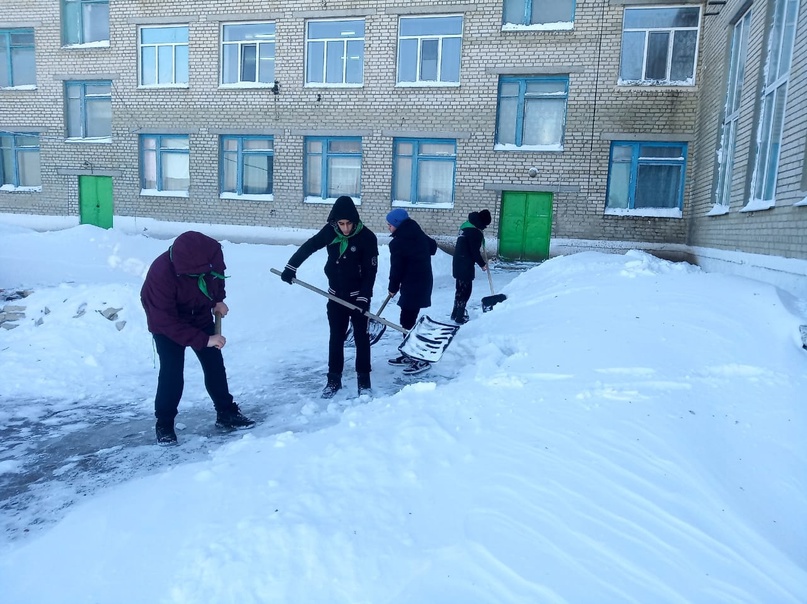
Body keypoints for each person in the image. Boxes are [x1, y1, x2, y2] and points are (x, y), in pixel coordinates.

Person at [141, 231, 255, 446]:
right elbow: (164, 319)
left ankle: (226, 413)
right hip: (168, 324)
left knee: (214, 365)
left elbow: (217, 279)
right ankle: (164, 424)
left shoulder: (209, 257)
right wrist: (203, 340)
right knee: (172, 372)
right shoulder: (161, 273)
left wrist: (217, 300)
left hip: (200, 314)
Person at [280, 195, 379, 398]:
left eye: (348, 223)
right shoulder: (330, 232)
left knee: (361, 338)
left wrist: (364, 297)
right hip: (335, 296)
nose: (344, 228)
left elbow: (371, 272)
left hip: (358, 298)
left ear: (355, 220)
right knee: (336, 338)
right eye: (341, 224)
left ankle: (364, 379)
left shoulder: (367, 237)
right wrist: (291, 267)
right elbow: (309, 246)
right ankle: (333, 379)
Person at [385, 208, 438, 375]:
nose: (388, 228)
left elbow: (396, 269)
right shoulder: (418, 233)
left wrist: (393, 287)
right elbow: (433, 247)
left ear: (397, 225)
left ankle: (419, 358)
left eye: (390, 225)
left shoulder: (398, 242)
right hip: (422, 282)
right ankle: (410, 353)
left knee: (407, 320)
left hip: (413, 284)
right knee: (408, 319)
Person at [450, 209, 492, 324]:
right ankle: (459, 316)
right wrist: (483, 264)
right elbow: (474, 252)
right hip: (465, 265)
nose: (485, 227)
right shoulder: (475, 233)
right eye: (486, 225)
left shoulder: (465, 228)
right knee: (465, 291)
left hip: (458, 262)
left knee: (459, 289)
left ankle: (455, 313)